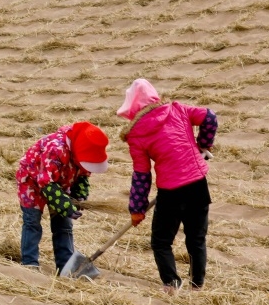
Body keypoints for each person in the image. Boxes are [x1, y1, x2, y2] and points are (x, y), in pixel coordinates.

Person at [117, 78, 218, 293]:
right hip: (198, 185)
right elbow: (209, 117)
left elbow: (142, 175)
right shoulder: (178, 110)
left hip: (171, 193)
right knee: (196, 238)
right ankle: (197, 284)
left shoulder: (136, 135)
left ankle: (172, 284)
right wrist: (204, 144)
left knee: (161, 242)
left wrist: (137, 209)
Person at [16, 121, 110, 273]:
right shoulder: (56, 149)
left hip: (59, 184)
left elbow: (82, 177)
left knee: (63, 225)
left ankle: (65, 265)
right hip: (33, 182)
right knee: (32, 221)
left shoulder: (83, 155)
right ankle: (29, 263)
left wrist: (79, 196)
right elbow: (46, 182)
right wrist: (66, 206)